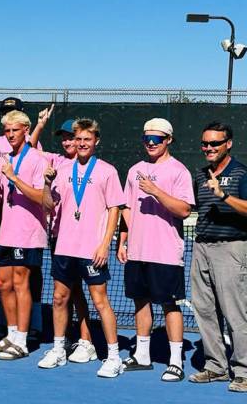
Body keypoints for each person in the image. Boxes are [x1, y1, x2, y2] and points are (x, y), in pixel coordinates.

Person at [39, 118, 125, 378]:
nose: (82, 144)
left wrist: (104, 244)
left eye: (87, 139)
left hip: (92, 249)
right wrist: (45, 183)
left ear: (96, 141)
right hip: (65, 247)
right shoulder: (63, 170)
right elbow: (48, 205)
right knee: (59, 298)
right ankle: (58, 350)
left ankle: (113, 357)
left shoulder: (107, 171)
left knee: (100, 302)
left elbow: (115, 209)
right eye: (78, 139)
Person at [117, 118, 194, 382]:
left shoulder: (178, 171)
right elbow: (126, 206)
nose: (151, 143)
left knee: (169, 304)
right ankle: (142, 355)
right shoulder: (134, 170)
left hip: (165, 252)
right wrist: (123, 239)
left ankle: (175, 361)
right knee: (140, 301)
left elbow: (184, 210)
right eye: (147, 138)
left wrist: (156, 191)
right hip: (137, 252)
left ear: (168, 140)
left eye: (157, 139)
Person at [189, 121, 247, 392]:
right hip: (201, 247)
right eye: (205, 143)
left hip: (231, 248)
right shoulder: (201, 175)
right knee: (204, 310)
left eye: (215, 143)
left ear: (228, 144)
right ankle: (216, 367)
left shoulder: (241, 173)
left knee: (236, 313)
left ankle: (244, 370)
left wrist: (223, 195)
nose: (209, 148)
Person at [36, 117, 96, 362]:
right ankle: (64, 341)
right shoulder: (56, 163)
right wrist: (39, 125)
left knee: (82, 292)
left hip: (85, 241)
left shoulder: (95, 167)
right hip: (60, 239)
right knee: (65, 293)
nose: (68, 141)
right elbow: (28, 149)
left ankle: (86, 340)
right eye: (65, 137)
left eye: (73, 137)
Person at [0, 111, 48, 360]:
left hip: (28, 232)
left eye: (15, 130)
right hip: (6, 232)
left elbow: (43, 199)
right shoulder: (5, 158)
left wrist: (14, 178)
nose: (10, 135)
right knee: (3, 283)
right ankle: (12, 334)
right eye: (7, 131)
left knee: (21, 282)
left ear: (26, 129)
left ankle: (23, 341)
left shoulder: (37, 159)